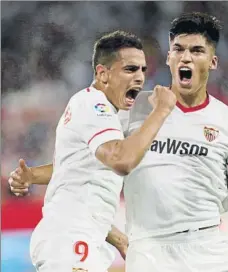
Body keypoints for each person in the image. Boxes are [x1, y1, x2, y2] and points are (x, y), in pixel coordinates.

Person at [9, 13, 228, 272]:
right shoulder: (130, 111)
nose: (186, 57)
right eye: (178, 49)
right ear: (168, 57)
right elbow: (86, 163)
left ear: (213, 61)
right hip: (150, 251)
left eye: (196, 50)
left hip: (210, 246)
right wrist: (34, 175)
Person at [9, 30, 176, 272]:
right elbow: (121, 160)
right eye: (130, 69)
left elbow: (76, 169)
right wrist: (160, 111)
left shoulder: (103, 112)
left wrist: (33, 176)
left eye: (142, 69)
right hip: (71, 239)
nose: (140, 77)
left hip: (79, 237)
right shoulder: (93, 106)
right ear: (103, 74)